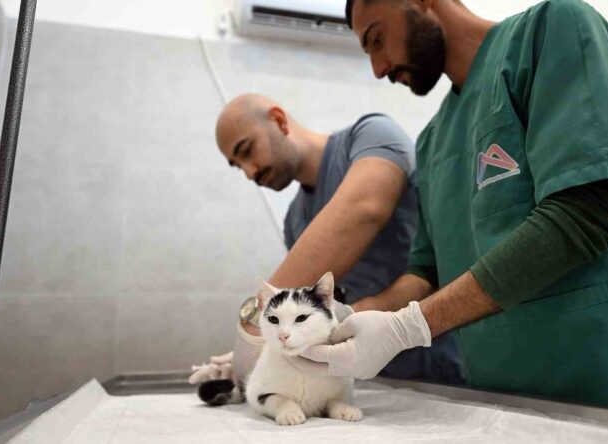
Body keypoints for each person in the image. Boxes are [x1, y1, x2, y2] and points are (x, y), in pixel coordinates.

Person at [301, 0, 608, 417]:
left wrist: (410, 327)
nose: (379, 69)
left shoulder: (550, 32)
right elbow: (424, 272)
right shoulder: (433, 142)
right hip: (504, 409)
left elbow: (582, 214)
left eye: (377, 40)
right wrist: (351, 316)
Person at [189, 93, 463, 388]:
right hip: (377, 377)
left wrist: (253, 322)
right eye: (237, 166)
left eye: (247, 150)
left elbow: (365, 209)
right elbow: (318, 312)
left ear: (279, 121)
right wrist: (269, 349)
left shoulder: (371, 136)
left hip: (444, 356)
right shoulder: (295, 220)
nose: (249, 172)